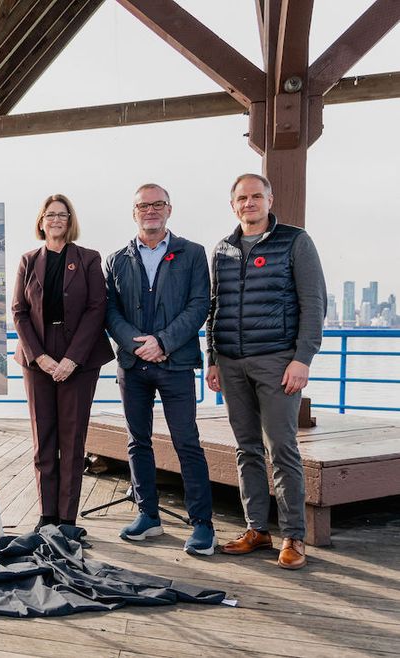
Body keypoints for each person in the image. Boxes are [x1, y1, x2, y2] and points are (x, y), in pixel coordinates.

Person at [206, 173, 326, 570]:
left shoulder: (295, 241)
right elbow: (214, 307)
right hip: (231, 362)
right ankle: (257, 529)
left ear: (270, 200)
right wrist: (212, 358)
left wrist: (302, 359)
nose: (249, 203)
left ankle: (293, 536)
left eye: (257, 196)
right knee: (246, 449)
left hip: (277, 361)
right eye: (242, 197)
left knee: (282, 448)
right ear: (233, 204)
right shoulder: (222, 249)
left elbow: (314, 304)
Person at [105, 184, 214, 555]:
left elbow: (200, 305)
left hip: (176, 362)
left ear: (169, 209)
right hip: (133, 365)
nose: (150, 210)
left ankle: (202, 524)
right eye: (143, 205)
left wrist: (163, 342)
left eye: (157, 204)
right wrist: (139, 343)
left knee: (187, 442)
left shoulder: (193, 253)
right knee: (138, 441)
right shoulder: (117, 258)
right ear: (133, 212)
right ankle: (148, 516)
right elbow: (111, 312)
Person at [12, 193, 115, 532]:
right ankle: (47, 516)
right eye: (50, 214)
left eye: (63, 214)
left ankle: (67, 519)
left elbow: (96, 308)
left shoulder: (87, 258)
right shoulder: (28, 260)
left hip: (79, 356)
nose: (56, 220)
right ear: (41, 221)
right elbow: (19, 311)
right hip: (37, 354)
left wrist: (71, 358)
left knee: (72, 439)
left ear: (71, 222)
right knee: (44, 438)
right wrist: (39, 356)